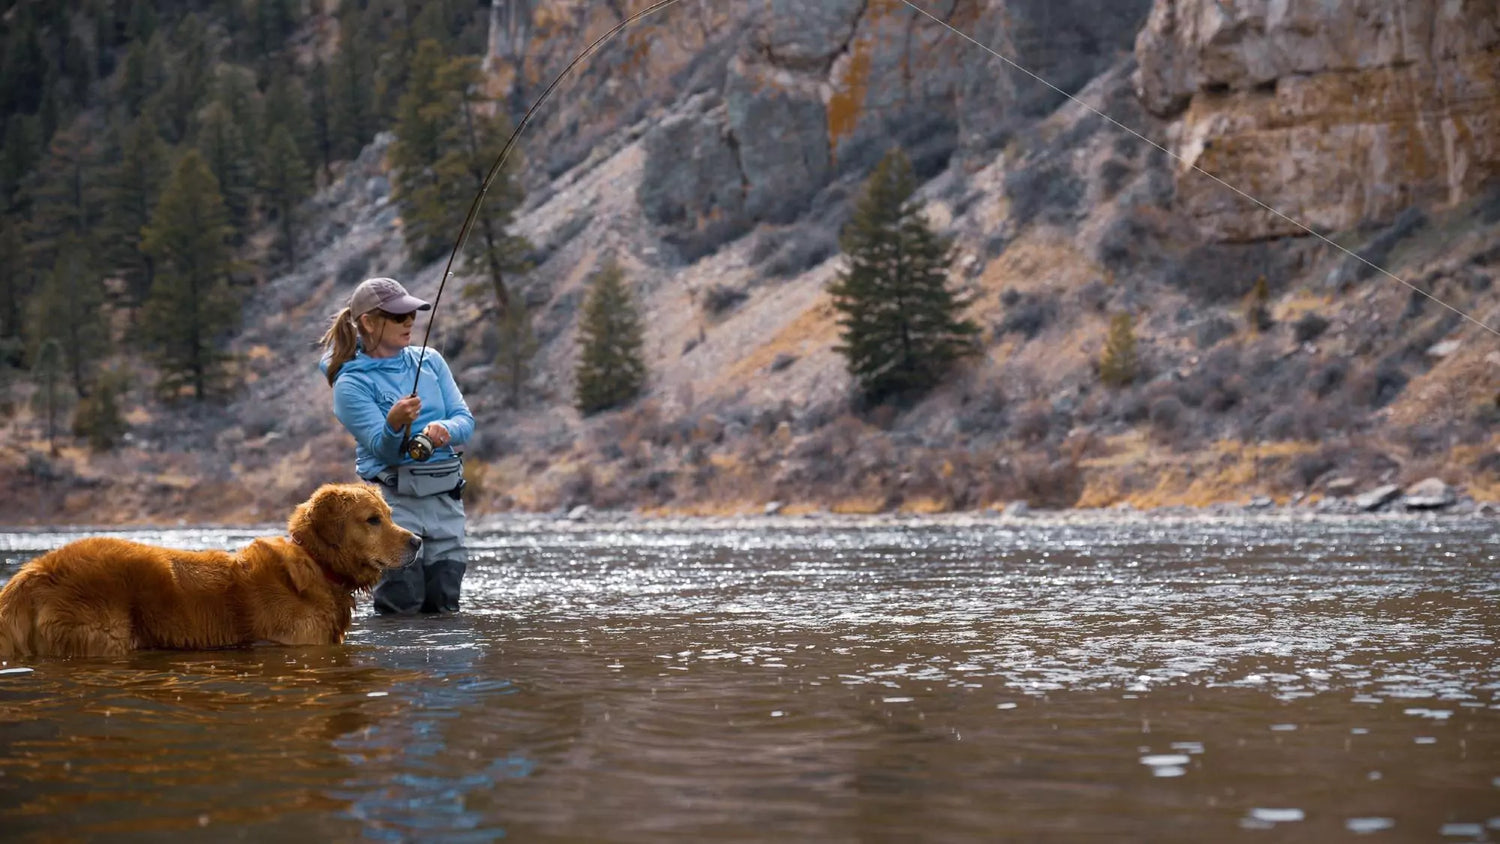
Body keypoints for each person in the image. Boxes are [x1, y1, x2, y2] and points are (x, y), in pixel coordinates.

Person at [318, 277, 475, 614]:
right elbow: (382, 449)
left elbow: (466, 421)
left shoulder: (430, 361)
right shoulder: (350, 384)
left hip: (446, 500)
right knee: (401, 605)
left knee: (445, 604)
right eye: (399, 317)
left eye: (412, 315)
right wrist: (393, 424)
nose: (409, 323)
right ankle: (398, 668)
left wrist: (443, 430)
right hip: (393, 505)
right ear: (369, 322)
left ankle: (447, 669)